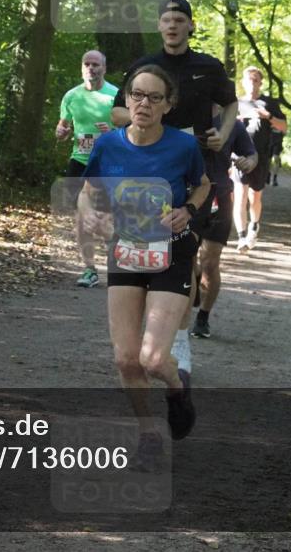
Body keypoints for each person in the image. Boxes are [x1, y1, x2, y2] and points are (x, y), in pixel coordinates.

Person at [81, 65, 211, 463]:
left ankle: (176, 389)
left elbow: (204, 185)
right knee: (125, 357)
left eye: (155, 97)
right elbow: (88, 192)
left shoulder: (182, 147)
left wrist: (188, 209)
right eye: (137, 94)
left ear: (168, 106)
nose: (144, 104)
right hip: (126, 251)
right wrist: (91, 215)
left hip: (170, 252)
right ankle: (149, 434)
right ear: (126, 98)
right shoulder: (109, 146)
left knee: (153, 359)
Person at [111, 0, 237, 378]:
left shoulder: (208, 67)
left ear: (190, 26)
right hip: (149, 178)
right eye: (166, 19)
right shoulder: (145, 68)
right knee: (146, 257)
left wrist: (223, 135)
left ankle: (179, 342)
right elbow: (117, 111)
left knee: (188, 256)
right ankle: (151, 332)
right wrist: (151, 127)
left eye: (179, 19)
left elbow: (230, 105)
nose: (172, 25)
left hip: (197, 177)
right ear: (159, 26)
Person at [55, 50, 118, 288]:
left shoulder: (115, 95)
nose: (91, 68)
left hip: (108, 163)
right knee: (81, 217)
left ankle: (116, 258)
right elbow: (62, 128)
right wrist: (61, 133)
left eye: (96, 64)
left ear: (104, 67)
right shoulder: (71, 96)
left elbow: (132, 132)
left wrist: (113, 134)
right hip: (79, 160)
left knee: (104, 218)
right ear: (82, 68)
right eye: (87, 64)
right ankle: (89, 269)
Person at [191, 112, 257, 339]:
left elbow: (252, 154)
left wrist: (248, 162)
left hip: (219, 196)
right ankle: (193, 284)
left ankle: (203, 318)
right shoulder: (183, 118)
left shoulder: (233, 125)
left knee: (210, 262)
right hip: (187, 197)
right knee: (187, 261)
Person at [233, 66, 287, 252]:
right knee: (240, 196)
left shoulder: (269, 103)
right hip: (240, 156)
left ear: (261, 83)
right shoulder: (237, 103)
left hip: (261, 156)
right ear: (243, 82)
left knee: (254, 197)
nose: (252, 83)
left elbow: (284, 127)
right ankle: (241, 238)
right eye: (249, 79)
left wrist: (269, 116)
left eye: (256, 80)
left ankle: (254, 225)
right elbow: (224, 128)